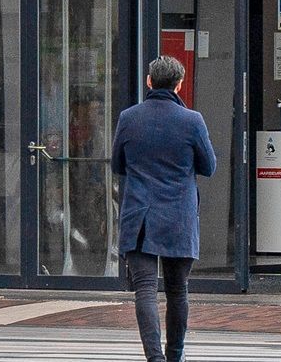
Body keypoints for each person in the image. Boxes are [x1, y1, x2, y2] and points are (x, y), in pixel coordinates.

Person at [112, 55, 214, 362]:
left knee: (144, 288)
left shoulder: (129, 118)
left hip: (140, 217)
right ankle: (175, 355)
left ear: (149, 81)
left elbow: (118, 164)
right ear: (179, 85)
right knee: (177, 290)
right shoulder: (192, 120)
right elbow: (208, 167)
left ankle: (154, 358)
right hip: (178, 217)